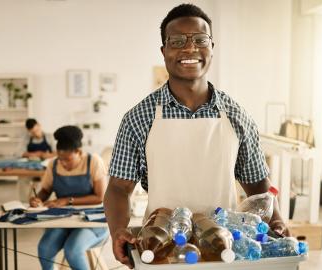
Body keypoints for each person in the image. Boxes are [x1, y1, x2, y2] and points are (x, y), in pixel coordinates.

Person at [103, 4, 290, 268]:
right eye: (177, 41)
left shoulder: (237, 115)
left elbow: (258, 183)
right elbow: (118, 189)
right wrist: (118, 230)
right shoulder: (138, 118)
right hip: (161, 248)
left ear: (212, 47)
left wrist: (277, 220)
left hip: (225, 247)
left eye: (200, 40)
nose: (190, 49)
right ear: (164, 51)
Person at [29, 125, 108, 270]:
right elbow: (45, 190)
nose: (63, 163)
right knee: (44, 248)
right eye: (60, 159)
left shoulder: (93, 161)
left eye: (68, 159)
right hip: (64, 219)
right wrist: (38, 199)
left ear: (78, 152)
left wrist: (67, 200)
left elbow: (100, 197)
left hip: (93, 221)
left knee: (73, 250)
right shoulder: (53, 164)